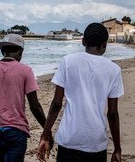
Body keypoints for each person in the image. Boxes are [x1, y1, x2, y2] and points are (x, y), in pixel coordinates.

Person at [36, 23, 124, 162]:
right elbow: (112, 114)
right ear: (105, 44)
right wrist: (117, 149)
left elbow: (57, 103)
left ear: (83, 41)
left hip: (69, 139)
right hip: (95, 143)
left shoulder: (68, 62)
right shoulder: (113, 70)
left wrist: (45, 135)